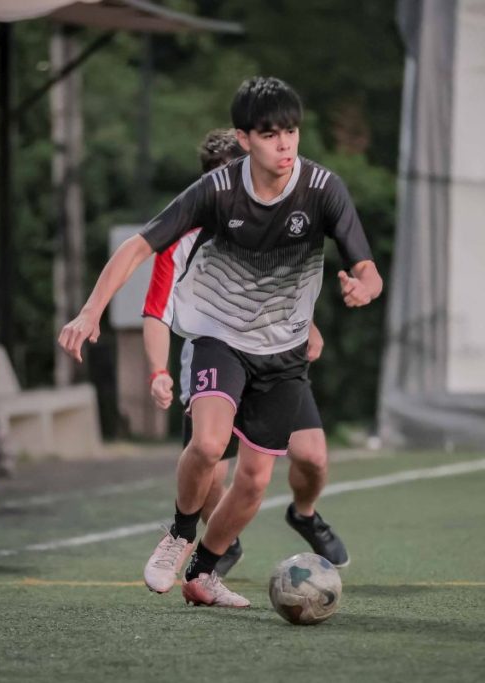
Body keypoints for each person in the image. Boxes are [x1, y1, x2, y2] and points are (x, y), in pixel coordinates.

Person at [59, 76, 382, 608]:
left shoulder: (324, 189)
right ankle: (181, 531)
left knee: (254, 481)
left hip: (283, 350)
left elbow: (366, 266)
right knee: (209, 446)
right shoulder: (217, 189)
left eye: (291, 132)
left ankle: (203, 573)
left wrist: (364, 286)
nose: (284, 145)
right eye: (270, 135)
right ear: (245, 138)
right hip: (219, 333)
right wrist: (90, 311)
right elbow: (138, 247)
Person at [143, 129, 349, 579]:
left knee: (312, 457)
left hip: (274, 358)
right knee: (210, 467)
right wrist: (158, 370)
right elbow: (156, 311)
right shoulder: (184, 234)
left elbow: (284, 283)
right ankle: (219, 540)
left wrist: (309, 325)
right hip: (217, 356)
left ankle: (305, 514)